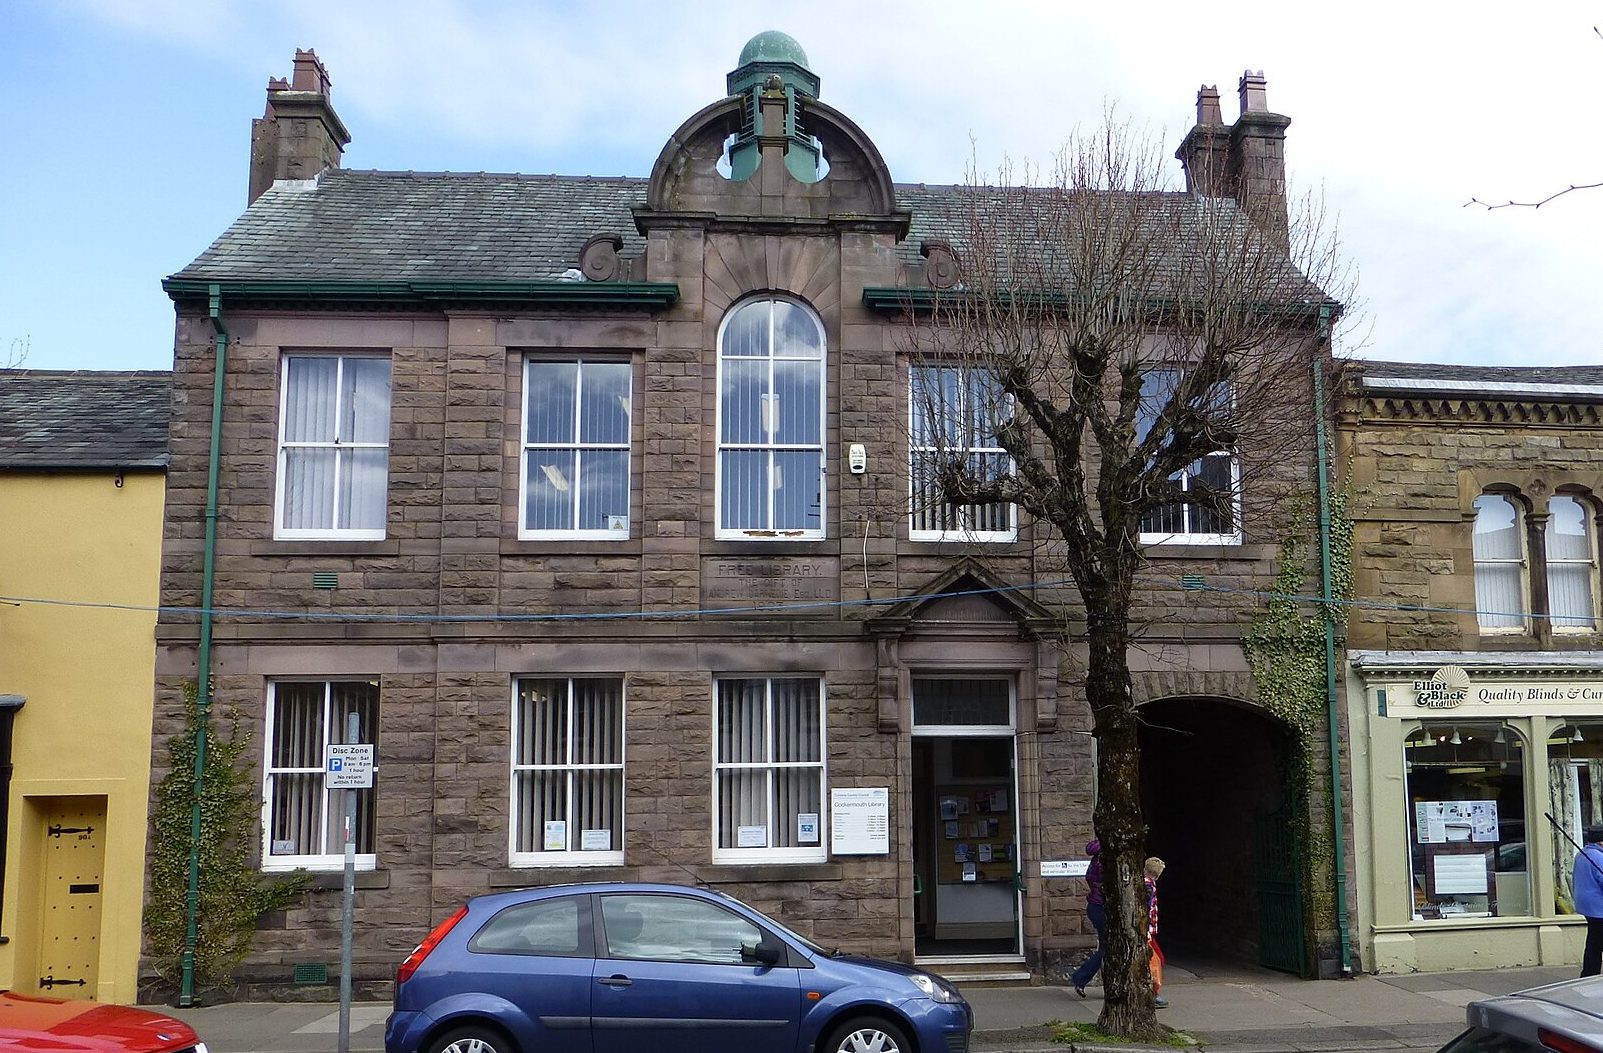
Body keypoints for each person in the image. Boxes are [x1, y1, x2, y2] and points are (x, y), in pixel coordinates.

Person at [1070, 838, 1104, 997]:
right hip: (1102, 907)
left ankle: (1081, 979)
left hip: (1094, 906)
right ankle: (1080, 978)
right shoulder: (1105, 862)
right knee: (1108, 948)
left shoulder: (1095, 860)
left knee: (1107, 948)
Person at [1574, 825, 1603, 976]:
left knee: (1594, 941)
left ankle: (1589, 972)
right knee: (1595, 942)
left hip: (1586, 905)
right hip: (1598, 907)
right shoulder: (1599, 857)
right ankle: (1590, 973)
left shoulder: (1582, 854)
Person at [1145, 856, 1168, 1008]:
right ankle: (1153, 993)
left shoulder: (1145, 883)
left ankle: (1153, 991)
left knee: (1156, 960)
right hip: (1146, 930)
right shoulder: (1148, 887)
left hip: (1148, 930)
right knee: (1156, 961)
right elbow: (1145, 909)